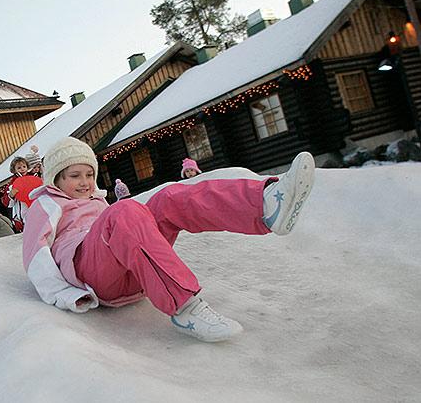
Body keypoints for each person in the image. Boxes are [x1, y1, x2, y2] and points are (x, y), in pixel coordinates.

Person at [22, 137, 315, 343]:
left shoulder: (100, 203)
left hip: (130, 275)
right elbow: (34, 253)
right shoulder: (47, 204)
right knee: (124, 211)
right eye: (75, 175)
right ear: (55, 180)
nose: (85, 182)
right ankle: (186, 308)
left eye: (89, 173)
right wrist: (65, 294)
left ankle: (265, 205)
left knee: (168, 198)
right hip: (90, 272)